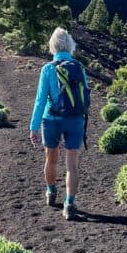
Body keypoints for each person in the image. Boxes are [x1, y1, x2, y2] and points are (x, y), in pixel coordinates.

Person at [29, 27, 90, 220]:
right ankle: (69, 204)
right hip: (75, 120)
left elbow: (40, 100)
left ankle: (51, 192)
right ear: (70, 46)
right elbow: (86, 96)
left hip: (51, 120)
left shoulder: (48, 69)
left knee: (51, 159)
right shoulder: (79, 67)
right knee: (72, 165)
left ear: (52, 46)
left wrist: (33, 127)